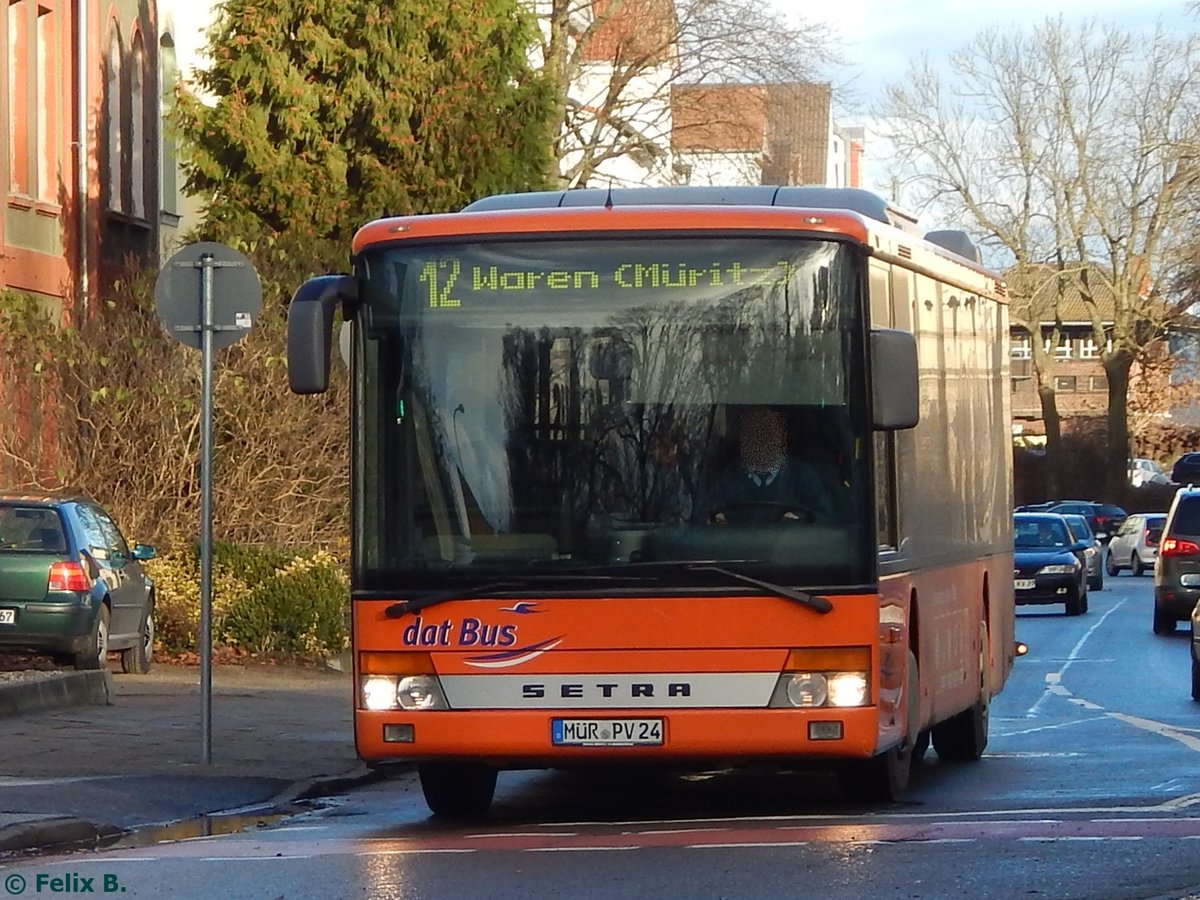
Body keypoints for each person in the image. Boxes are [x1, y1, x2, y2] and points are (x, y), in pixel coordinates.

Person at [698, 406, 834, 524]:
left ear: (779, 437)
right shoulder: (729, 477)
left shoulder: (803, 476)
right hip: (737, 552)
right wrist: (716, 519)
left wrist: (802, 520)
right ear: (743, 439)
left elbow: (826, 520)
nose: (761, 440)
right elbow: (705, 515)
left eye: (767, 432)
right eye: (753, 433)